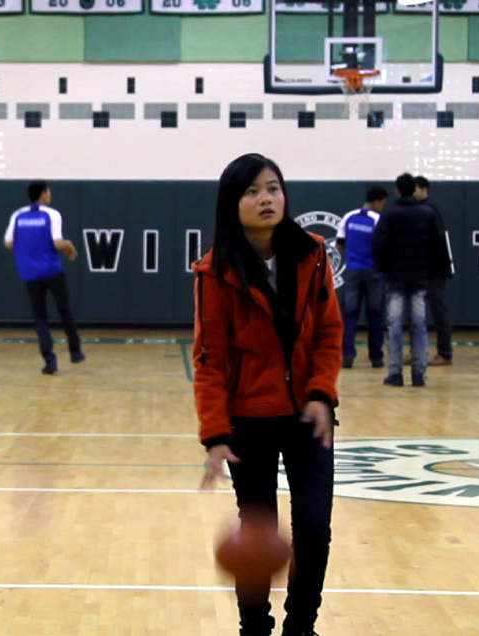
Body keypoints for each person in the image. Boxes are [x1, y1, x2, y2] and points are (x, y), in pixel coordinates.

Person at [195, 153, 342, 636]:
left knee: (315, 532)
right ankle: (254, 627)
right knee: (255, 542)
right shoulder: (215, 272)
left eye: (273, 188)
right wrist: (216, 435)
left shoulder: (313, 253)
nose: (266, 198)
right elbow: (210, 360)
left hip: (308, 418)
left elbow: (329, 333)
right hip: (248, 425)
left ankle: (301, 627)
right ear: (231, 203)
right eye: (252, 191)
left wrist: (322, 392)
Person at [373, 173, 450, 387]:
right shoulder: (428, 213)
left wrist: (385, 270)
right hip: (419, 279)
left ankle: (396, 373)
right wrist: (428, 270)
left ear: (397, 190)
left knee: (395, 326)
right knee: (419, 325)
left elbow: (380, 247)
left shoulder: (389, 215)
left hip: (396, 279)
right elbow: (438, 246)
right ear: (414, 190)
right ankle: (418, 373)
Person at [4, 181, 84, 375]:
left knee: (40, 317)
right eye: (49, 191)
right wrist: (71, 247)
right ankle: (75, 351)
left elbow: (8, 243)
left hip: (29, 272)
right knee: (64, 309)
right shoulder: (52, 214)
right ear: (44, 195)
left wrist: (28, 248)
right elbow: (58, 242)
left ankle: (49, 360)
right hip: (51, 270)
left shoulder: (18, 215)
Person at [337, 186, 387, 368]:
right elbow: (383, 246)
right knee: (375, 315)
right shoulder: (378, 219)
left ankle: (347, 356)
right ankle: (376, 357)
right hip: (373, 271)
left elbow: (340, 244)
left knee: (349, 315)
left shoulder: (349, 217)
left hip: (352, 271)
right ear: (378, 201)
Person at [414, 175, 454, 366]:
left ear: (424, 190)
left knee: (439, 312)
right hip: (424, 269)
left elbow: (435, 243)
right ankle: (418, 353)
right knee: (416, 313)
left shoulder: (430, 211)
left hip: (435, 270)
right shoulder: (422, 210)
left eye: (415, 190)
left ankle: (445, 353)